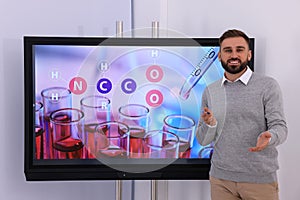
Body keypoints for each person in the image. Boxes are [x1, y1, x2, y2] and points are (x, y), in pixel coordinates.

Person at [196, 29, 288, 200]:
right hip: (220, 181)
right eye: (228, 50)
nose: (234, 55)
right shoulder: (211, 91)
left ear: (249, 54)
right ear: (219, 55)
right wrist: (209, 125)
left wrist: (271, 136)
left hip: (259, 181)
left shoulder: (267, 86)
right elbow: (203, 140)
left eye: (239, 50)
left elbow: (280, 127)